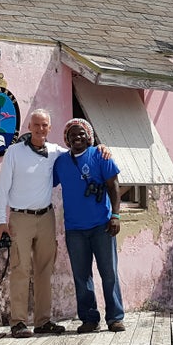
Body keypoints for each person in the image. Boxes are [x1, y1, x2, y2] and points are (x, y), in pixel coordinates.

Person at [0, 109, 110, 338]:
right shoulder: (14, 153)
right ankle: (18, 322)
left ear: (50, 128)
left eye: (44, 125)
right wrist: (0, 220)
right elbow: (2, 188)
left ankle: (43, 321)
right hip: (20, 217)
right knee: (20, 269)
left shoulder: (56, 152)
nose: (40, 129)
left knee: (44, 270)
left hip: (46, 217)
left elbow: (81, 151)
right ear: (29, 127)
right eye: (36, 125)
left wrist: (102, 148)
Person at [52, 118, 125, 333]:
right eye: (73, 134)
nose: (77, 137)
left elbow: (114, 187)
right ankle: (89, 319)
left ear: (89, 137)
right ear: (67, 138)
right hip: (74, 228)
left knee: (109, 272)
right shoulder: (61, 163)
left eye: (81, 133)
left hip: (102, 225)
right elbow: (46, 175)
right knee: (81, 276)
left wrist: (116, 215)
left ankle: (115, 317)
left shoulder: (100, 156)